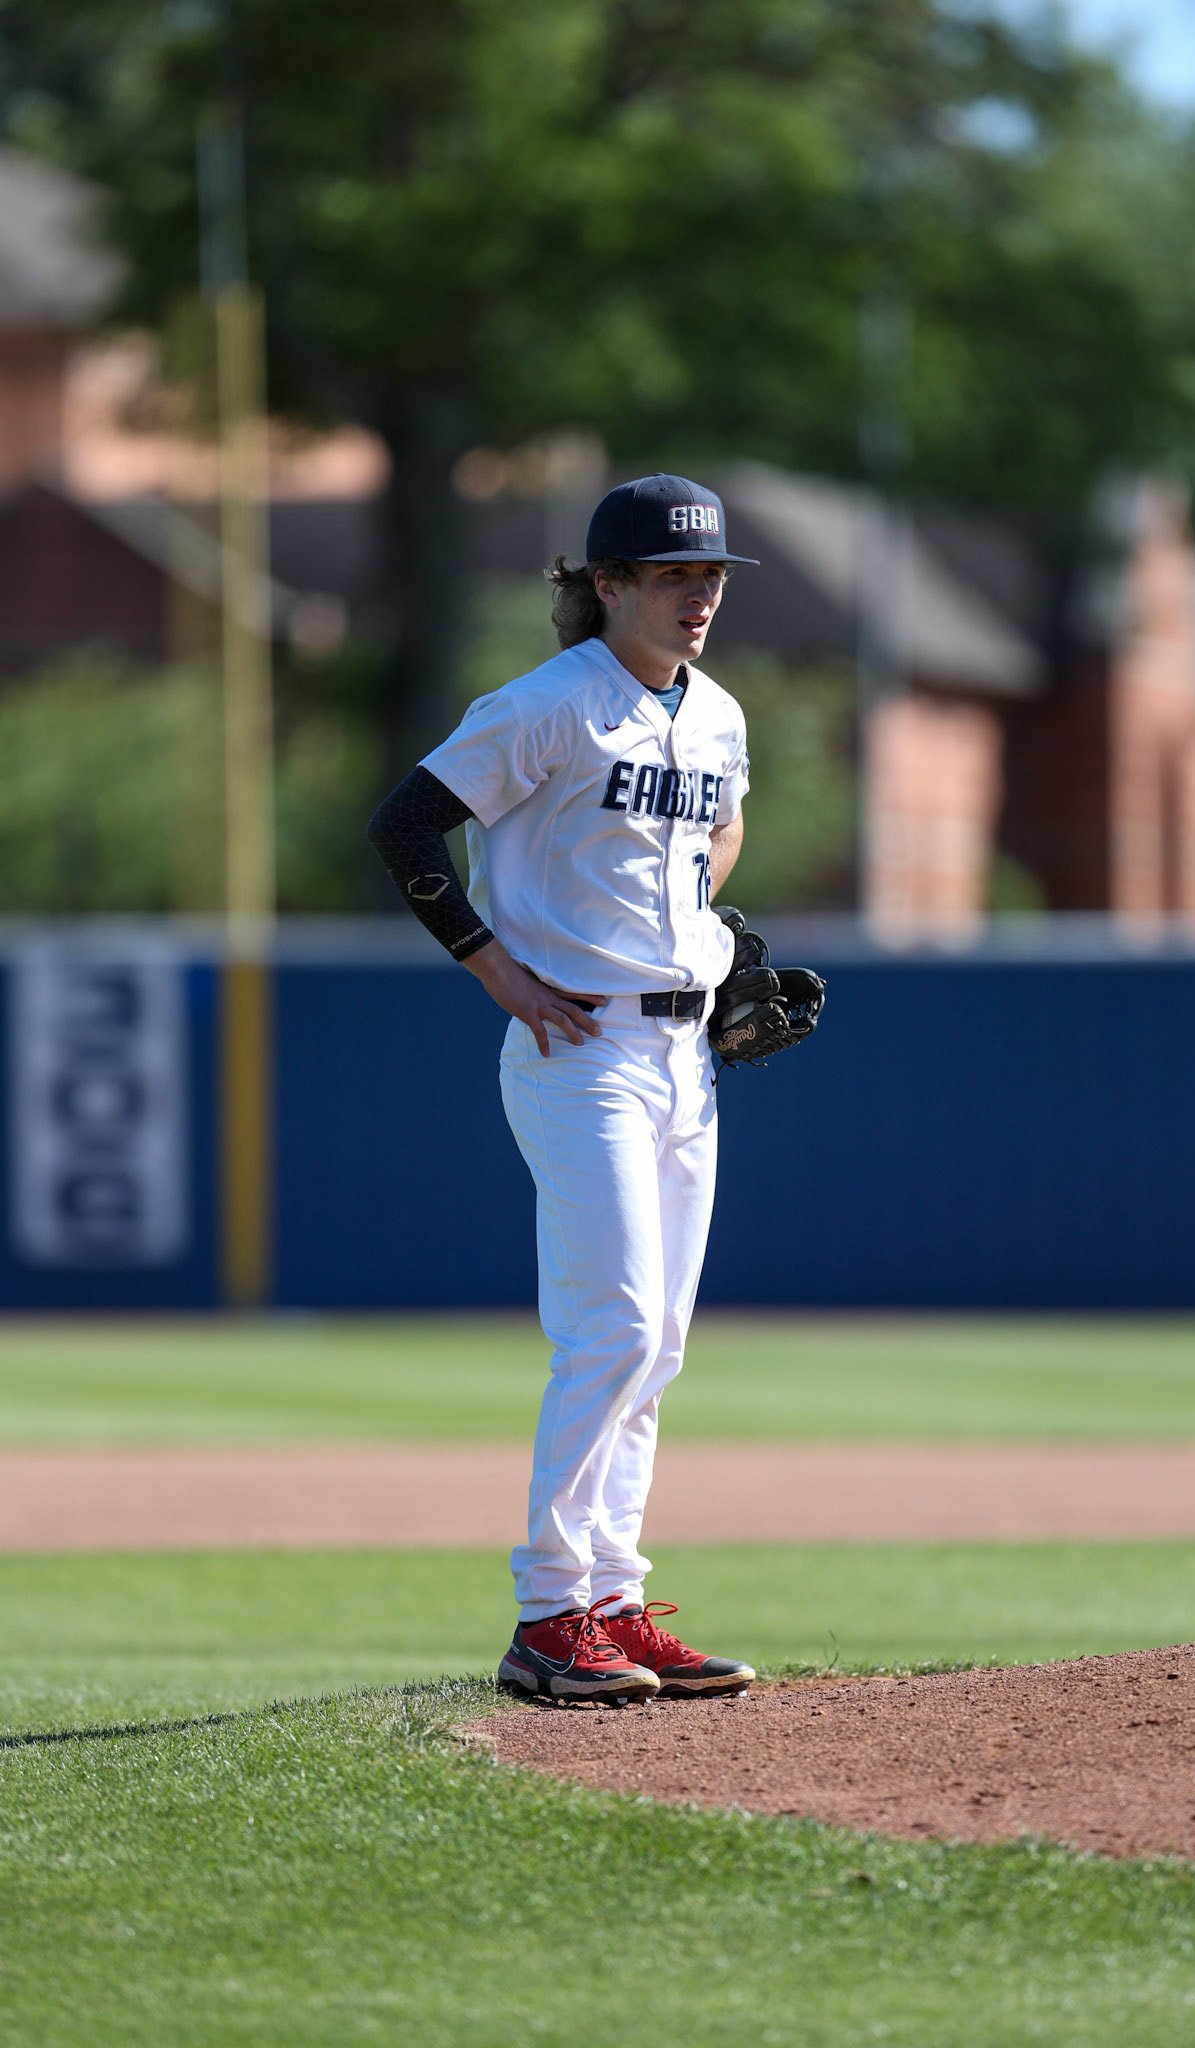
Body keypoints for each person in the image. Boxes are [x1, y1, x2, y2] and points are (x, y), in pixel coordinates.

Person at [368, 473, 759, 1704]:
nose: (697, 594)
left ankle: (615, 1599)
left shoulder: (718, 714)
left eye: (710, 576)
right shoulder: (545, 707)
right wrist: (491, 963)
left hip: (685, 1054)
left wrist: (698, 920)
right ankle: (549, 1614)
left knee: (660, 1345)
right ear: (607, 586)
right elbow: (406, 826)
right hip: (578, 1049)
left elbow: (725, 824)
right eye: (671, 574)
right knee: (618, 1327)